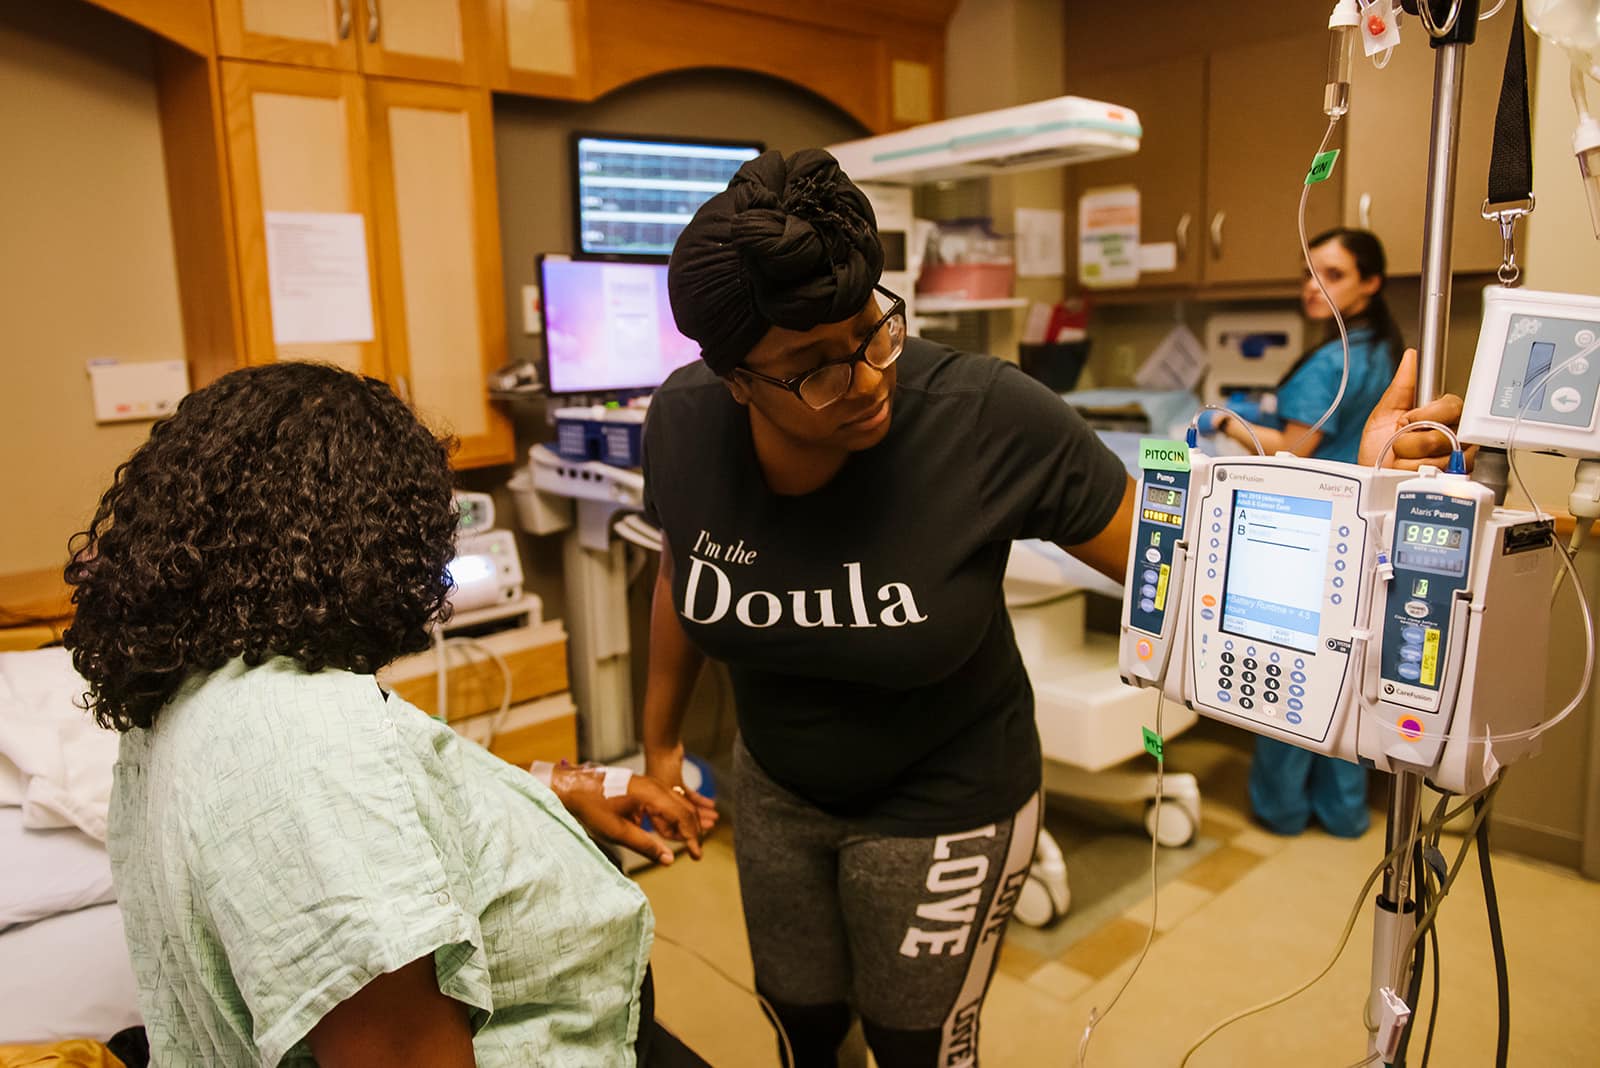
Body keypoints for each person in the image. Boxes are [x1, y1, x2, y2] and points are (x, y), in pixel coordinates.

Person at [637, 151, 1467, 1067]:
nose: (868, 379)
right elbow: (685, 570)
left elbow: (1194, 576)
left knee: (916, 1046)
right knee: (801, 1024)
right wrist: (660, 743)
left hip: (944, 796)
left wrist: (1367, 504)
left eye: (874, 333)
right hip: (777, 789)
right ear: (736, 380)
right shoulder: (684, 424)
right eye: (814, 371)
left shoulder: (983, 419)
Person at [62, 362, 713, 1067]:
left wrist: (556, 789)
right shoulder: (306, 748)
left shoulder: (215, 685)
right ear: (372, 538)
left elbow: (398, 793)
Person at [1208, 227, 1407, 839]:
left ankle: (1282, 811)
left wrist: (1227, 420)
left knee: (1288, 678)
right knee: (1344, 684)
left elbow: (1292, 450)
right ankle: (1345, 814)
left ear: (1371, 284)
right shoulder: (1382, 353)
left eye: (1333, 274)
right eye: (1308, 272)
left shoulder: (1329, 362)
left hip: (1309, 536)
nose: (1313, 286)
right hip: (1365, 538)